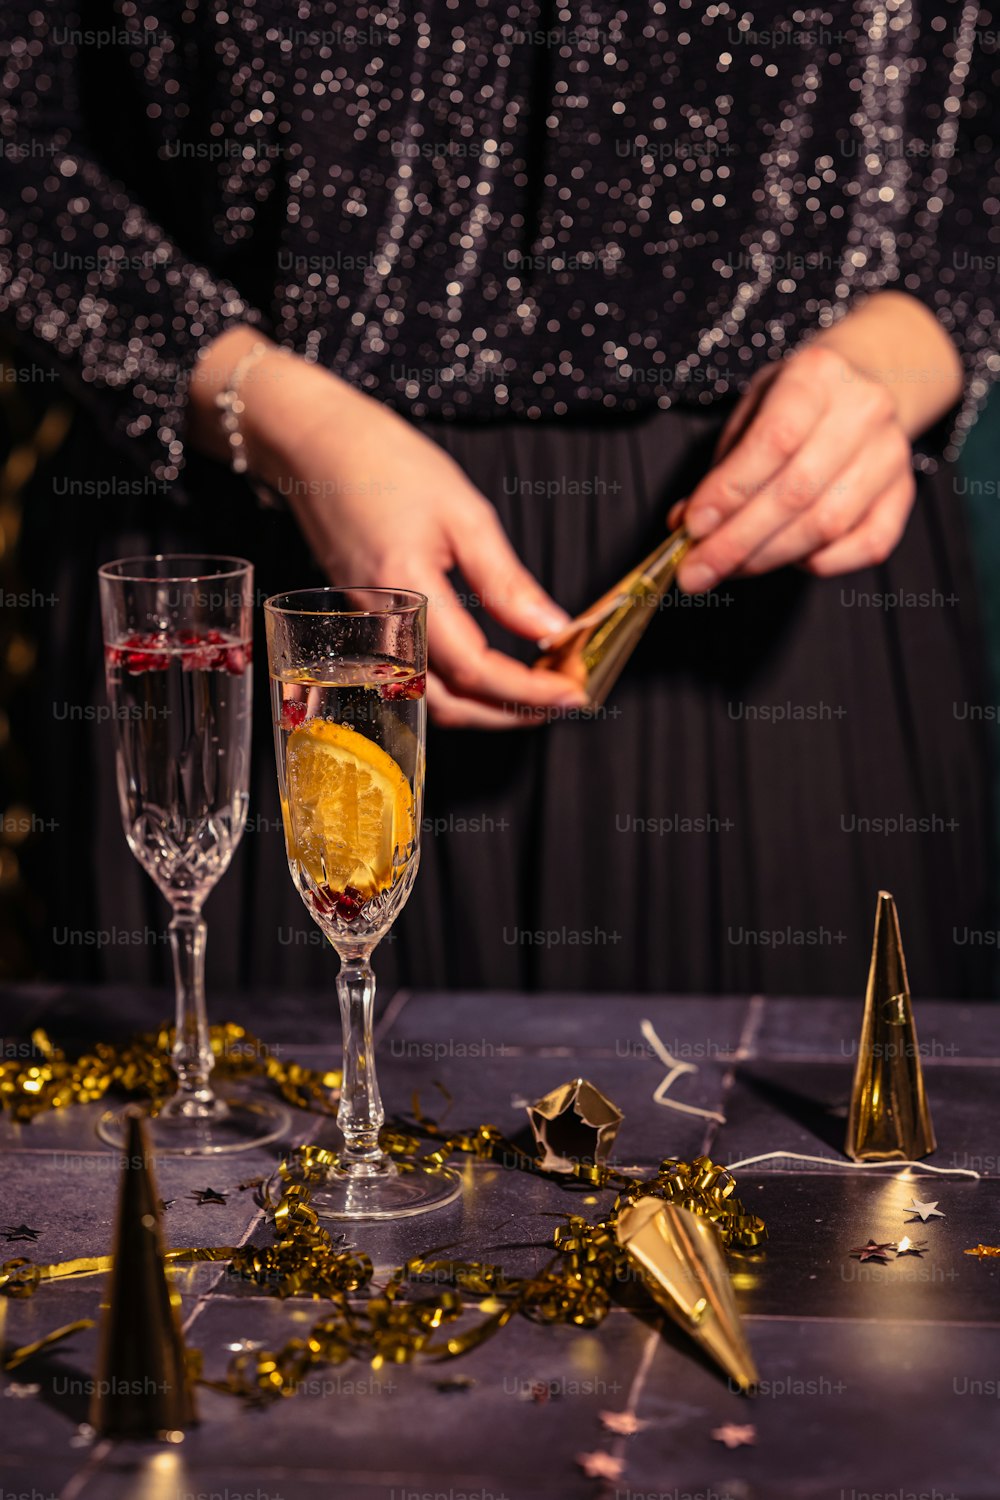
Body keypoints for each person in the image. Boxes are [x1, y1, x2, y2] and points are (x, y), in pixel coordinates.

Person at [2, 3, 996, 996]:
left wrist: (909, 345)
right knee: (249, 1134)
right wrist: (270, 409)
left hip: (785, 578)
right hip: (255, 574)